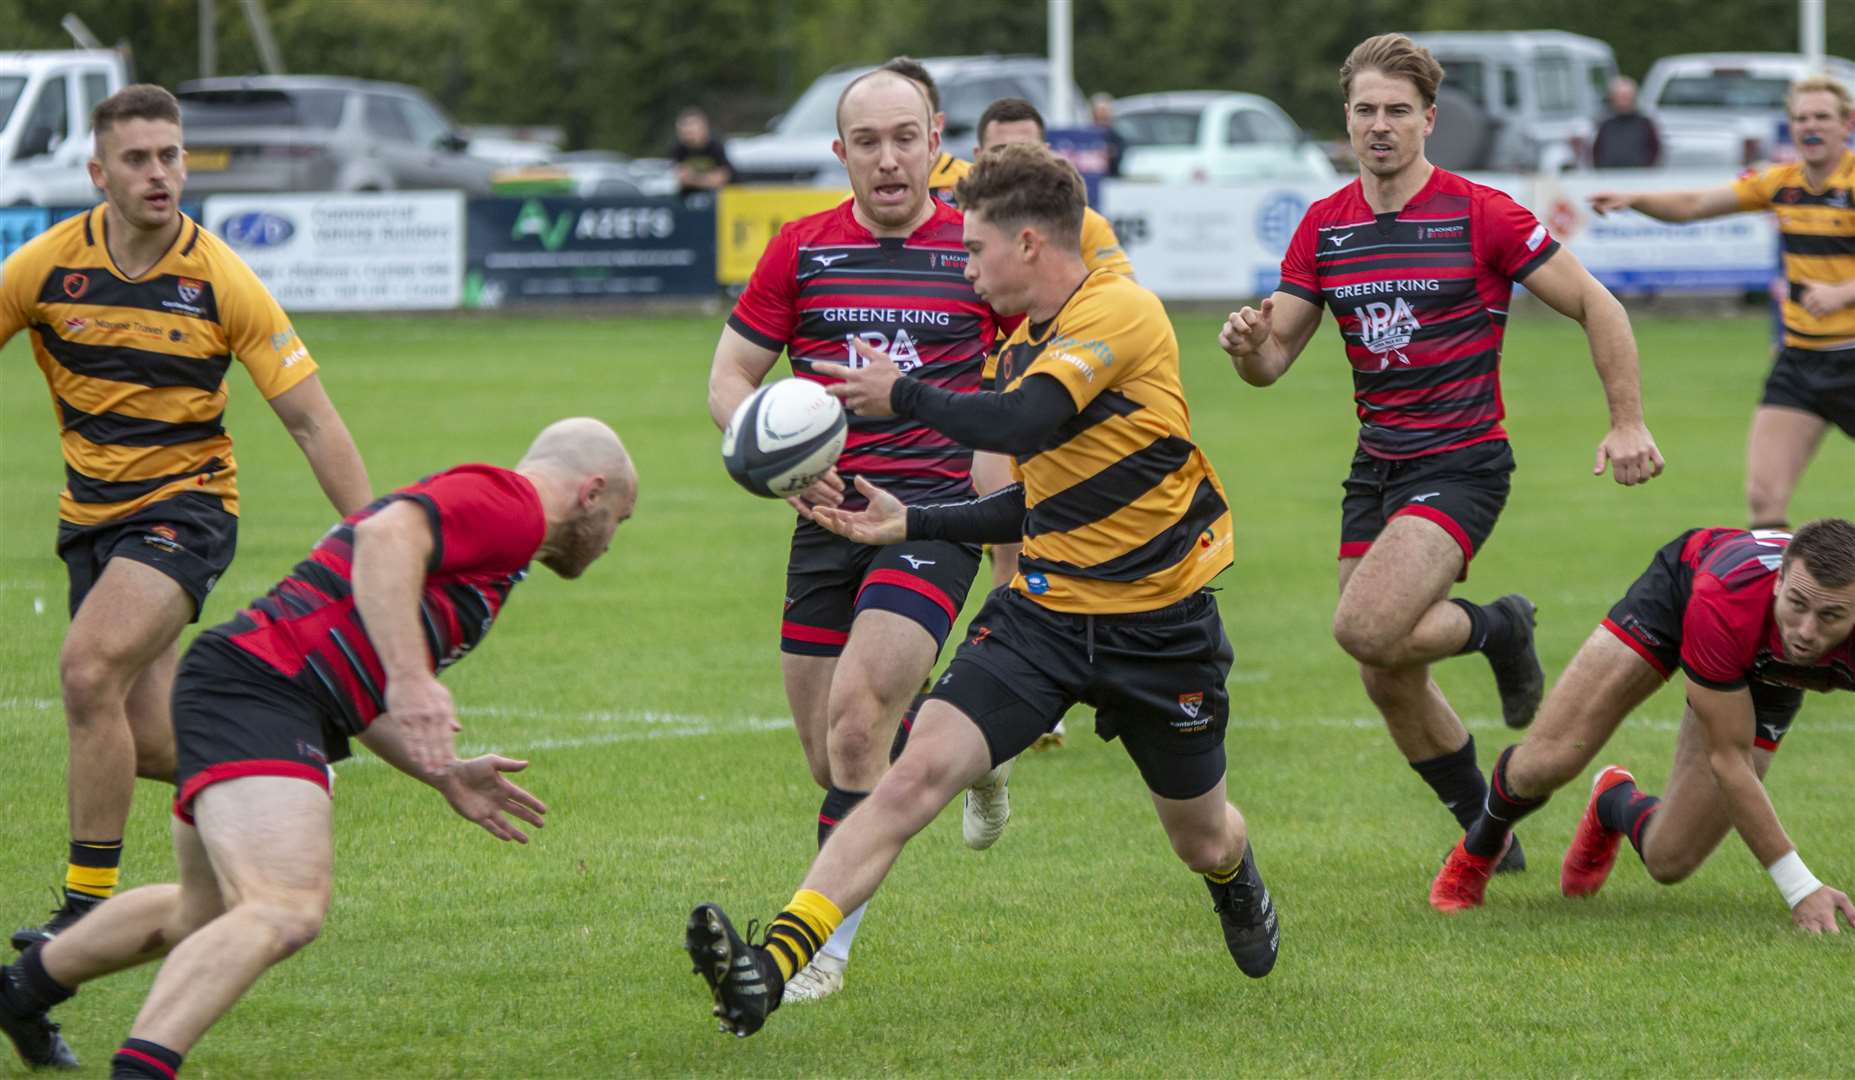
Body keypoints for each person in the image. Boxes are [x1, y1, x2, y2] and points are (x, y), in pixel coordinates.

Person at [685, 143, 1276, 1040]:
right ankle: (769, 968)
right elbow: (1026, 504)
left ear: (1029, 244)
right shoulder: (1025, 341)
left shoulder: (1118, 312)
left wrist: (902, 394)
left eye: (972, 251)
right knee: (909, 778)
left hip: (1160, 632)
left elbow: (1022, 423)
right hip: (1040, 618)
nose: (963, 269)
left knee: (1202, 838)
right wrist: (909, 524)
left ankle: (1234, 880)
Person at [0, 418, 637, 1074]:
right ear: (590, 493)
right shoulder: (514, 506)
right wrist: (414, 678)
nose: (613, 541)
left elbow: (352, 682)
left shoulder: (501, 540)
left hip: (251, 685)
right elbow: (385, 534)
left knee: (204, 911)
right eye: (622, 516)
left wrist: (443, 772)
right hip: (259, 692)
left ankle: (20, 990)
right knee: (285, 908)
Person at [1218, 34, 1664, 876]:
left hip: (1460, 462)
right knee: (1384, 674)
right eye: (1363, 111)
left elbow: (1598, 306)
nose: (1379, 126)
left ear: (1428, 119)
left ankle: (1500, 627)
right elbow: (1269, 364)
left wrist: (1627, 421)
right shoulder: (1325, 226)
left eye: (1396, 111)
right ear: (1345, 121)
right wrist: (1245, 344)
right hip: (1375, 467)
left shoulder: (1480, 213)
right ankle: (1486, 831)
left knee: (1363, 629)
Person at [0, 84, 372, 953]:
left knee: (88, 671)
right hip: (90, 518)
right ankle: (291, 750)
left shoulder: (219, 277)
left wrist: (378, 535)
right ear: (99, 173)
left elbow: (313, 420)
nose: (161, 173)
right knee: (149, 736)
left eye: (172, 155)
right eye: (138, 158)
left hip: (188, 510)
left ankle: (85, 909)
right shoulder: (47, 266)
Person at [703, 69, 1000, 1006]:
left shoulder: (976, 249)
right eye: (866, 141)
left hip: (930, 516)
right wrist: (783, 468)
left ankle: (818, 949)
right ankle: (969, 754)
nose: (887, 159)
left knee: (858, 717)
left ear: (935, 138)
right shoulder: (800, 250)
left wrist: (1008, 535)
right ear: (840, 154)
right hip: (825, 519)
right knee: (834, 758)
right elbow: (729, 378)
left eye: (904, 137)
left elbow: (1032, 390)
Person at [1430, 519, 1855, 935]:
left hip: (1768, 661)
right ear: (1779, 581)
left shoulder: (1802, 628)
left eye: (1830, 616)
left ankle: (1612, 801)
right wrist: (1801, 889)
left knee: (1670, 860)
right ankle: (1483, 843)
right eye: (1797, 604)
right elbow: (1729, 757)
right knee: (1548, 762)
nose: (1805, 631)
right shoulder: (1726, 598)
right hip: (1686, 596)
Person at [1588, 76, 1855, 530]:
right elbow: (1695, 204)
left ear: (1846, 123)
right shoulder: (1781, 183)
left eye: (1822, 117)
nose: (1810, 126)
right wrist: (1637, 199)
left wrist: (1842, 293)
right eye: (1800, 118)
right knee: (1764, 504)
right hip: (1799, 363)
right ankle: (1790, 599)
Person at [878, 57, 971, 204]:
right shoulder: (855, 206)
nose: (900, 115)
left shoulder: (979, 186)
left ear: (938, 123)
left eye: (914, 104)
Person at [1591, 76, 1661, 168]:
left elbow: (1655, 150)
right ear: (1613, 98)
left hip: (1640, 177)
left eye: (1626, 96)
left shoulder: (1645, 124)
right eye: (1620, 96)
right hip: (1609, 177)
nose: (1623, 101)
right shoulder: (1605, 124)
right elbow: (1596, 151)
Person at [670, 107, 732, 196]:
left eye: (691, 132)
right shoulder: (678, 149)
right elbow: (682, 179)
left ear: (704, 129)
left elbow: (722, 178)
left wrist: (694, 178)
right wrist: (707, 179)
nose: (688, 137)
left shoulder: (715, 146)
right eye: (685, 133)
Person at [1091, 92, 1125, 178]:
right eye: (1100, 110)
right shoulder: (1087, 134)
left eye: (1105, 110)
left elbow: (1120, 157)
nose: (1102, 113)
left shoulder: (1117, 136)